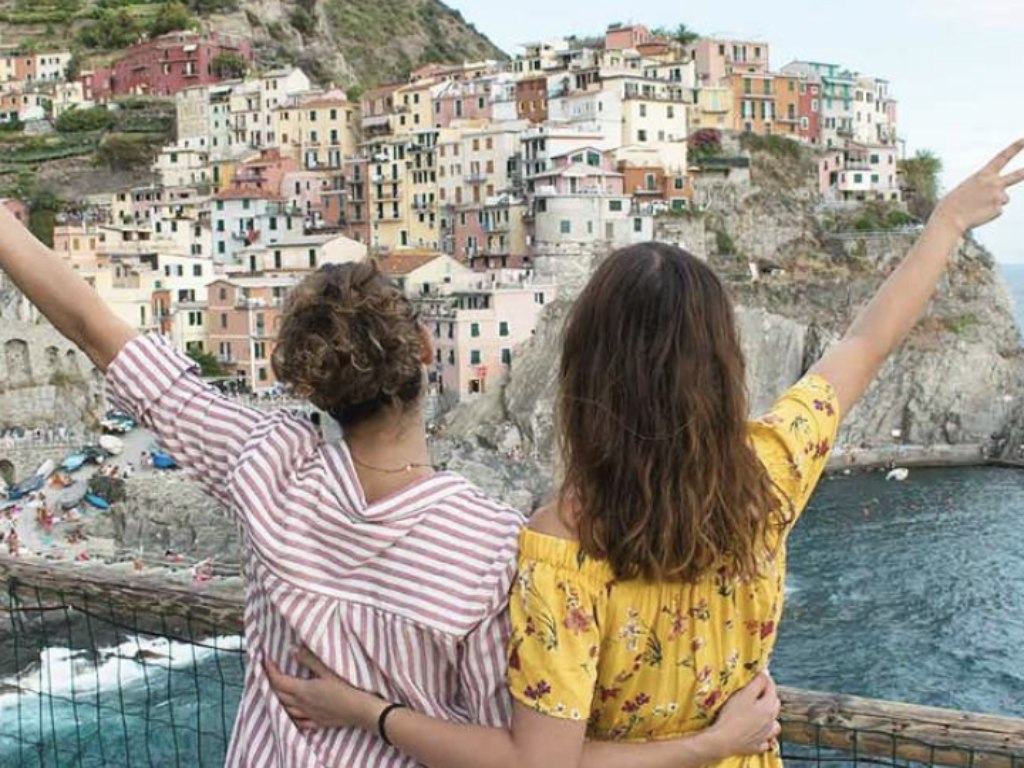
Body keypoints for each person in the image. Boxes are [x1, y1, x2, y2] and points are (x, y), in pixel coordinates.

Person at [264, 143, 1024, 767]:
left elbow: (541, 766)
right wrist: (946, 226)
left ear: (585, 370)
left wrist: (372, 713)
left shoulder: (562, 544)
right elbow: (864, 342)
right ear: (722, 364)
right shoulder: (769, 473)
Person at [0, 227, 778, 767]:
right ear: (427, 355)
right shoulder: (496, 547)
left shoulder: (264, 462)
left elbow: (99, 329)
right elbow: (521, 753)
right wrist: (705, 747)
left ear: (311, 379)